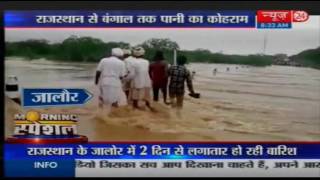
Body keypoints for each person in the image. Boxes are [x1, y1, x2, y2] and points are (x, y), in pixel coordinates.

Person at [95, 48, 127, 113]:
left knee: (102, 98)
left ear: (111, 54)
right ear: (120, 55)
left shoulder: (103, 60)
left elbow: (98, 72)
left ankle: (100, 113)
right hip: (115, 82)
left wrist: (96, 81)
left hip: (104, 81)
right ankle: (114, 114)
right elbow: (122, 76)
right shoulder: (121, 63)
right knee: (115, 100)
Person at [131, 46, 155, 112]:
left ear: (134, 54)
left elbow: (132, 74)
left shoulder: (133, 62)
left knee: (135, 98)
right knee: (147, 96)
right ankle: (149, 107)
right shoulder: (146, 61)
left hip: (137, 82)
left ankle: (135, 108)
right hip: (146, 82)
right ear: (143, 54)